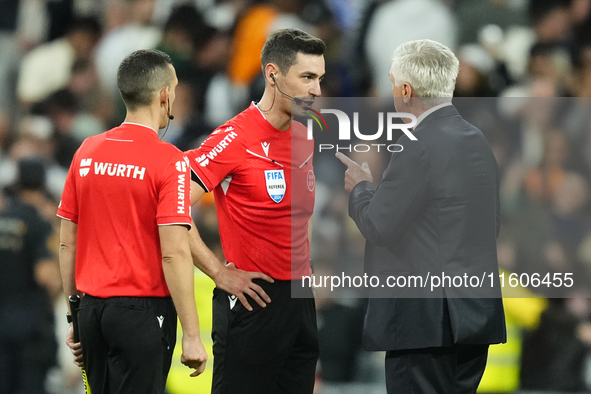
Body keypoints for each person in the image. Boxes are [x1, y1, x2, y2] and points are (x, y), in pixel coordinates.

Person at [336, 39, 507, 394]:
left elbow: (379, 225)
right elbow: (490, 226)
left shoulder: (417, 143)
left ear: (405, 89)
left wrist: (362, 188)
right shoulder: (477, 139)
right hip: (472, 315)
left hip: (425, 324)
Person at [58, 49, 207, 394]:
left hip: (92, 311)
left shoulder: (87, 151)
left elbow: (68, 242)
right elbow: (173, 252)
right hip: (142, 312)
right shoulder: (169, 159)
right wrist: (192, 336)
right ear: (164, 95)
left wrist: (74, 317)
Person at [186, 28, 325, 394]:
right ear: (273, 75)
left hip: (299, 301)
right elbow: (170, 208)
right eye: (307, 78)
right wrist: (218, 271)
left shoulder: (305, 134)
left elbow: (300, 218)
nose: (317, 91)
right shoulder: (234, 138)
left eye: (320, 79)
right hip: (252, 299)